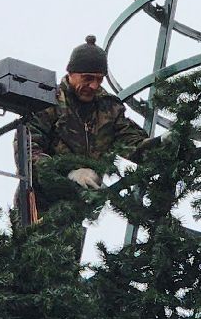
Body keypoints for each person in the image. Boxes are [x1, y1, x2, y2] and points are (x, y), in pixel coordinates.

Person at [23, 35, 151, 221]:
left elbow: (131, 141)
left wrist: (160, 145)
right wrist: (69, 173)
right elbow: (27, 151)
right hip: (39, 202)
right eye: (87, 78)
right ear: (71, 73)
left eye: (99, 80)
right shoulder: (48, 101)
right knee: (35, 248)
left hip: (79, 206)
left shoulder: (108, 109)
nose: (93, 85)